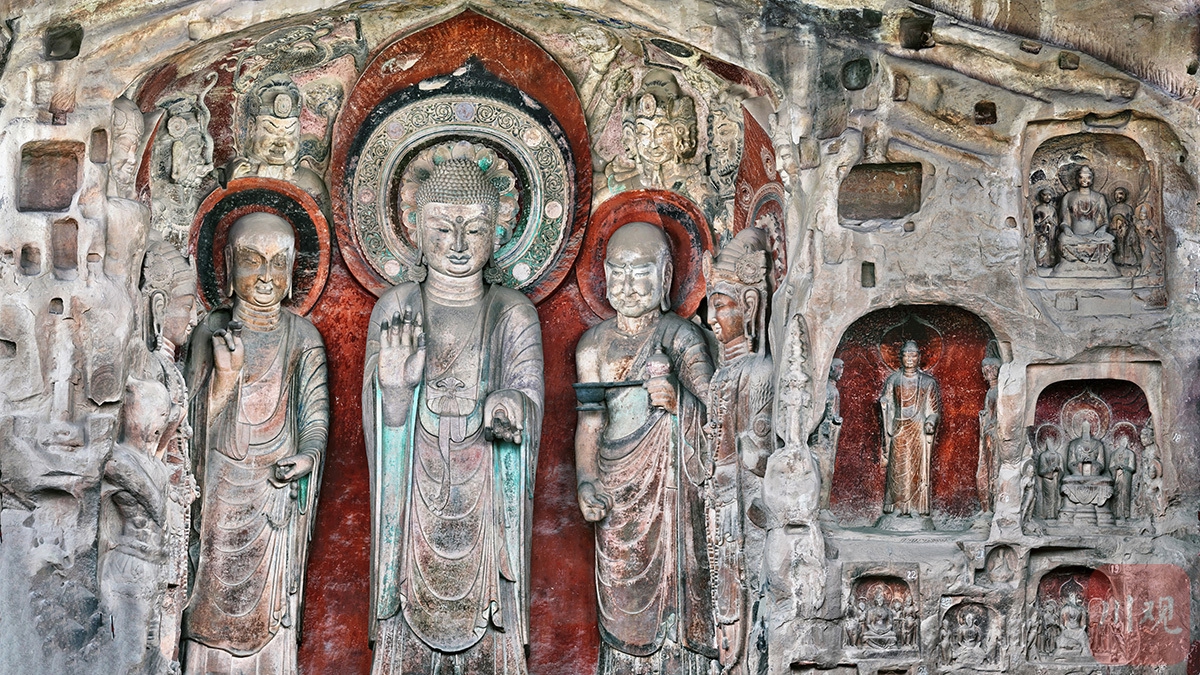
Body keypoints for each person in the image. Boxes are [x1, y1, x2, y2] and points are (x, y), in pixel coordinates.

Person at [363, 140, 542, 675]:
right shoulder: (396, 307)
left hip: (486, 491)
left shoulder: (513, 311)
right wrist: (395, 389)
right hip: (411, 489)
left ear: (499, 233)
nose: (459, 245)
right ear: (415, 230)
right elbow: (379, 420)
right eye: (442, 229)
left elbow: (529, 397)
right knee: (406, 609)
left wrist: (510, 406)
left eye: (475, 229)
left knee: (489, 614)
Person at [184, 212, 329, 675]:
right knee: (208, 596)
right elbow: (184, 429)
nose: (266, 275)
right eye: (252, 260)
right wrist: (226, 380)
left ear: (292, 270)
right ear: (228, 267)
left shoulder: (303, 337)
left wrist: (306, 457)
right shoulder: (210, 332)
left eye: (278, 262)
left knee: (271, 609)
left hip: (274, 496)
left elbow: (315, 418)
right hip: (219, 494)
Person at [575, 221, 716, 674]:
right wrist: (585, 480)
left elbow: (718, 409)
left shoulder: (682, 337)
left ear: (666, 275)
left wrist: (678, 405)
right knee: (621, 593)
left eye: (641, 272)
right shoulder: (593, 346)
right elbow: (591, 419)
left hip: (673, 487)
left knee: (679, 583)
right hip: (616, 487)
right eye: (617, 272)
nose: (628, 284)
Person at [702, 228, 775, 674]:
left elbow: (758, 458)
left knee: (744, 591)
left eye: (722, 305)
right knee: (724, 593)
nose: (712, 318)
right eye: (711, 305)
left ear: (749, 305)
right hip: (720, 499)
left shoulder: (758, 372)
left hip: (742, 506)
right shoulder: (722, 374)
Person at [878, 341, 941, 525]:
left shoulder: (928, 382)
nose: (910, 359)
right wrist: (884, 403)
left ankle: (915, 507)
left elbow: (933, 410)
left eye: (913, 355)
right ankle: (897, 506)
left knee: (916, 468)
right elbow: (887, 401)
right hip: (898, 427)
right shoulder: (894, 380)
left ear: (919, 358)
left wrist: (930, 421)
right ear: (901, 358)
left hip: (918, 428)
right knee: (897, 468)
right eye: (906, 355)